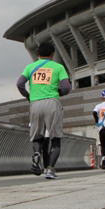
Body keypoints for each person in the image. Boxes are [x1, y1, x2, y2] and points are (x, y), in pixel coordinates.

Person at [17, 42, 71, 179]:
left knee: (36, 137)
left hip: (35, 104)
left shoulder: (30, 67)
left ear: (38, 54)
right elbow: (66, 87)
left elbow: (19, 84)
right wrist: (59, 92)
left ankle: (36, 154)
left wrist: (27, 95)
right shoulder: (58, 67)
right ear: (52, 54)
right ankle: (50, 169)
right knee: (56, 138)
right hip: (52, 103)